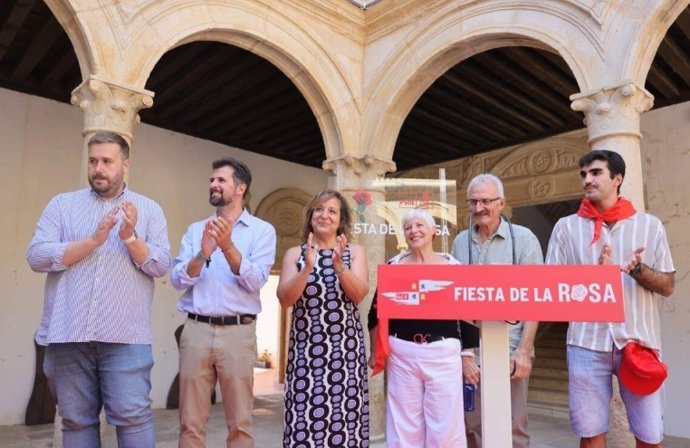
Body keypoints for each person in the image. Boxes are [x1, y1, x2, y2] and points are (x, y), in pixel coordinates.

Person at [26, 131, 172, 448]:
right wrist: (92, 242)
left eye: (107, 161)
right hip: (67, 334)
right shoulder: (62, 206)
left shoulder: (149, 210)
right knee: (76, 422)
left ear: (125, 164)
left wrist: (132, 238)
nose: (98, 169)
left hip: (126, 338)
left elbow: (161, 265)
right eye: (93, 161)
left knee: (133, 420)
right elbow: (36, 256)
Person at [546, 150, 675, 448]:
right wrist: (594, 277)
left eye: (595, 173)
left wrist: (637, 269)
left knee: (650, 435)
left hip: (639, 342)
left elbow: (668, 285)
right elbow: (551, 288)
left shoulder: (649, 225)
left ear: (617, 178)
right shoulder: (566, 227)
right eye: (583, 174)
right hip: (585, 342)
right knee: (590, 434)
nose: (586, 180)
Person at [170, 157, 277, 448]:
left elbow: (255, 282)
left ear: (240, 188)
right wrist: (203, 254)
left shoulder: (261, 231)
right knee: (189, 422)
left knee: (240, 423)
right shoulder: (196, 230)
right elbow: (178, 279)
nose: (213, 184)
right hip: (196, 331)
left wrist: (227, 246)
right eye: (212, 180)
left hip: (238, 334)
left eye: (221, 180)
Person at [450, 173, 543, 448]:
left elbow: (535, 299)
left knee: (513, 427)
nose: (479, 208)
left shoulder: (524, 239)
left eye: (486, 201)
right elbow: (459, 302)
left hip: (510, 349)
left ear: (501, 203)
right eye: (473, 202)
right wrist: (465, 354)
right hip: (472, 352)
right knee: (473, 427)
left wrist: (524, 351)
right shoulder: (460, 242)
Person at [369, 208, 474, 448]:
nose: (413, 231)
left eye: (419, 225)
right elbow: (375, 312)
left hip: (443, 354)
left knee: (446, 425)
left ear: (434, 232)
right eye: (408, 227)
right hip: (402, 354)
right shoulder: (393, 267)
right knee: (403, 426)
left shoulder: (453, 267)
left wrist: (468, 355)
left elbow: (469, 316)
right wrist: (376, 350)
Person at [277, 190, 370, 447]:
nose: (324, 215)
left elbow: (359, 294)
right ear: (310, 216)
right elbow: (285, 299)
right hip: (307, 355)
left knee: (345, 424)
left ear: (341, 221)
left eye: (332, 211)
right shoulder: (294, 255)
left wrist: (339, 267)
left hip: (345, 355)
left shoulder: (355, 252)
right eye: (319, 209)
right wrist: (307, 267)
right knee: (303, 423)